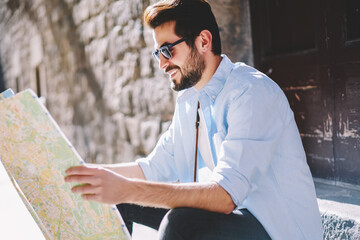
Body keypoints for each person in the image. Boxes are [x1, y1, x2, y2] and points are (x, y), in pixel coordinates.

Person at [64, 0, 324, 239]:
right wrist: (83, 177)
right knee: (124, 201)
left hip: (278, 230)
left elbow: (225, 196)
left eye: (168, 50)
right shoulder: (190, 100)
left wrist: (127, 188)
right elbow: (153, 168)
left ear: (203, 41)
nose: (162, 64)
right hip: (232, 221)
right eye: (158, 54)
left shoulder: (251, 93)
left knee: (181, 223)